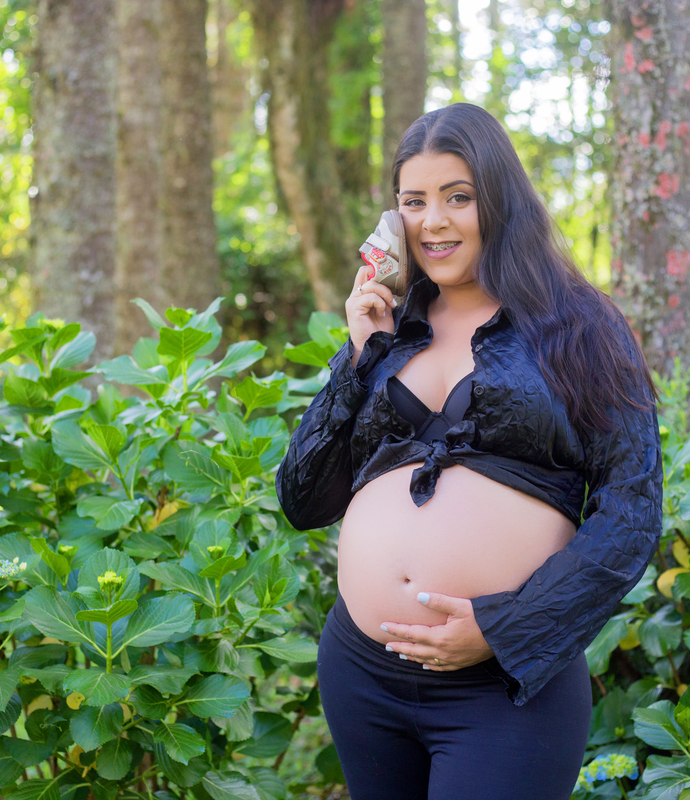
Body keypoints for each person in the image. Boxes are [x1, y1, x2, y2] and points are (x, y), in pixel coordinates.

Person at [275, 103, 663, 800]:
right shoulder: (392, 325)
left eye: (458, 197)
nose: (434, 222)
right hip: (363, 672)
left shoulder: (581, 325)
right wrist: (358, 358)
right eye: (413, 202)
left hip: (505, 686)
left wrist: (504, 627)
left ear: (500, 198)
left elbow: (630, 512)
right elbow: (303, 499)